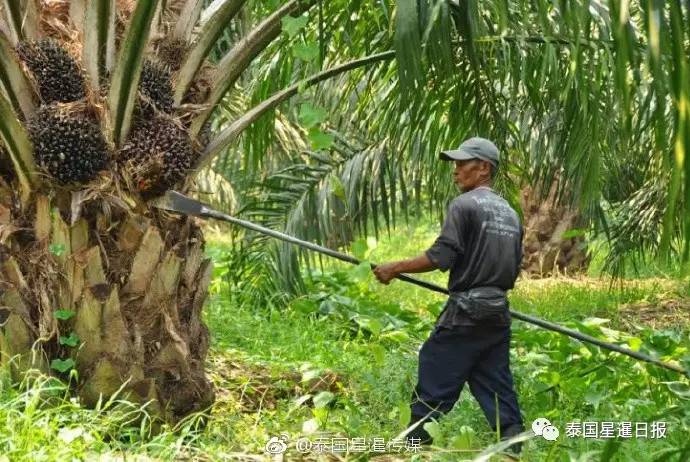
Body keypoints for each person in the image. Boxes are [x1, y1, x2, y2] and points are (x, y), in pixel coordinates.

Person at [373, 137, 525, 452]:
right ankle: (514, 448)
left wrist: (394, 268)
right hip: (498, 313)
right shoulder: (510, 213)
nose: (455, 171)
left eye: (461, 164)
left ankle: (415, 447)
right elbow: (510, 266)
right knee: (494, 383)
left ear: (483, 168)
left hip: (467, 312)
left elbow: (441, 256)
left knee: (435, 368)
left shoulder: (464, 205)